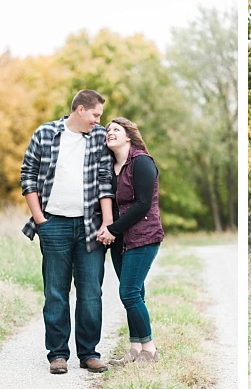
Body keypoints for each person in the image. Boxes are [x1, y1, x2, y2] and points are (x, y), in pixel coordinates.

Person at [21, 89, 113, 374]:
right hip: (54, 224)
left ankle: (89, 354)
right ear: (81, 109)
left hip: (90, 225)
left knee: (90, 293)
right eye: (95, 115)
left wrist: (107, 223)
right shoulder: (45, 133)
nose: (98, 121)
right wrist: (41, 221)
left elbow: (105, 182)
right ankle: (58, 354)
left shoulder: (98, 138)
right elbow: (28, 175)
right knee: (56, 292)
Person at [96, 117, 165, 365]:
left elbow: (143, 204)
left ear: (128, 136)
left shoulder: (142, 162)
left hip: (143, 237)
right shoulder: (109, 167)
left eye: (116, 129)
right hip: (119, 240)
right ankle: (135, 350)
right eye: (107, 130)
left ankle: (150, 350)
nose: (110, 133)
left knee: (129, 292)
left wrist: (112, 228)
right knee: (135, 293)